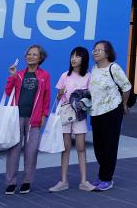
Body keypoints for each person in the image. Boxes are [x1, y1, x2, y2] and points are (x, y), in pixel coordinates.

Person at [3, 44, 51, 195]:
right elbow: (8, 92)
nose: (31, 56)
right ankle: (11, 182)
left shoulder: (44, 75)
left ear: (40, 58)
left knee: (31, 152)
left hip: (34, 119)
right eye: (29, 54)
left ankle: (27, 182)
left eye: (34, 54)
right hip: (16, 118)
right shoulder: (18, 74)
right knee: (13, 151)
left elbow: (46, 97)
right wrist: (11, 76)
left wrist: (44, 115)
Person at [48, 47, 94, 193]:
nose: (73, 59)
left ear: (84, 59)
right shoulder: (65, 75)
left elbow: (90, 98)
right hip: (65, 115)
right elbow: (58, 98)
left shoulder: (88, 76)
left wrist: (82, 101)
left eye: (77, 56)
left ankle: (84, 181)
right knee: (66, 148)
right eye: (72, 56)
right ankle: (63, 181)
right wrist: (60, 94)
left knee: (81, 147)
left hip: (80, 116)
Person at [88, 39, 131, 192]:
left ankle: (107, 178)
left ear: (107, 53)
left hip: (112, 111)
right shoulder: (94, 69)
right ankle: (102, 175)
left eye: (99, 50)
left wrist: (124, 104)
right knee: (99, 147)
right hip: (96, 112)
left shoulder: (114, 68)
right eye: (94, 49)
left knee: (109, 146)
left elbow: (126, 87)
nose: (95, 52)